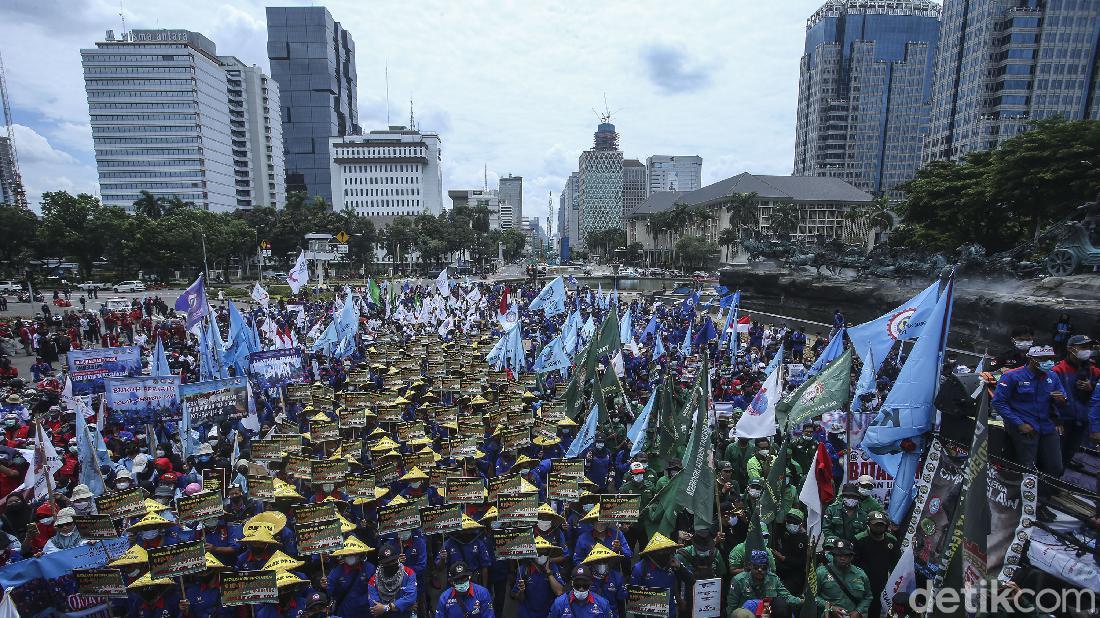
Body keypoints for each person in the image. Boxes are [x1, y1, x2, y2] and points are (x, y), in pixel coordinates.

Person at [992, 345, 1066, 519]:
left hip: (1047, 427)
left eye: (1051, 358)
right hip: (1025, 428)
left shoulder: (1052, 376)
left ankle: (1041, 501)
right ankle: (1025, 505)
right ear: (1032, 360)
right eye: (1044, 359)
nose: (1049, 362)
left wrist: (1062, 400)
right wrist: (1019, 424)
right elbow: (999, 403)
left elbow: (1062, 398)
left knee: (1055, 466)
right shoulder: (1012, 376)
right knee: (1028, 468)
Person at [1051, 334, 1099, 467]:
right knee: (1055, 453)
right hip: (1062, 420)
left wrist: (1092, 387)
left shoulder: (1092, 371)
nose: (1087, 350)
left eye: (1089, 347)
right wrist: (1056, 419)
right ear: (1071, 349)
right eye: (1083, 347)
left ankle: (1065, 469)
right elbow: (1049, 397)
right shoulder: (1058, 370)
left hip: (1082, 419)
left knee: (1071, 450)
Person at [853, 512, 900, 618]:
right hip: (861, 581)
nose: (879, 527)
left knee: (875, 609)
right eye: (876, 524)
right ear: (868, 524)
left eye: (881, 524)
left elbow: (896, 563)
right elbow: (854, 562)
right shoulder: (860, 539)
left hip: (881, 581)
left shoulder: (892, 540)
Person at [727, 549, 802, 612]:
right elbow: (732, 607)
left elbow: (787, 597)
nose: (760, 570)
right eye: (756, 567)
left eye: (764, 568)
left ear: (768, 568)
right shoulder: (739, 580)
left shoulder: (773, 579)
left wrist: (802, 601)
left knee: (782, 606)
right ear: (750, 566)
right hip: (746, 613)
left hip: (766, 612)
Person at [814, 539, 872, 618]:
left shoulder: (861, 574)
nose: (842, 558)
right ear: (833, 555)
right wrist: (830, 608)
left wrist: (858, 611)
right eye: (839, 555)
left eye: (846, 555)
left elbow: (868, 596)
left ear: (851, 557)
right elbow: (812, 596)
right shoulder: (821, 573)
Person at [367, 542, 418, 617]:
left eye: (393, 561)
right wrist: (404, 607)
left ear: (397, 559)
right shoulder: (373, 581)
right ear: (381, 564)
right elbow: (375, 608)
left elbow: (411, 598)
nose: (390, 565)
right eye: (387, 563)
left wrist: (385, 608)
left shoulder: (409, 573)